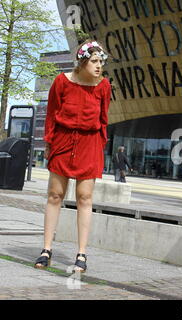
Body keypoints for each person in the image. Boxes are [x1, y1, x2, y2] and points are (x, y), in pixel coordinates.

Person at [34, 39, 111, 273]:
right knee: (55, 195)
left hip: (89, 143)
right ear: (83, 61)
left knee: (84, 197)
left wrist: (100, 146)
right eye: (95, 61)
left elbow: (103, 119)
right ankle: (46, 249)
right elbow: (51, 113)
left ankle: (82, 253)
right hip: (63, 140)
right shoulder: (62, 82)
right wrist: (49, 141)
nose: (99, 66)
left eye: (101, 62)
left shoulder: (104, 86)